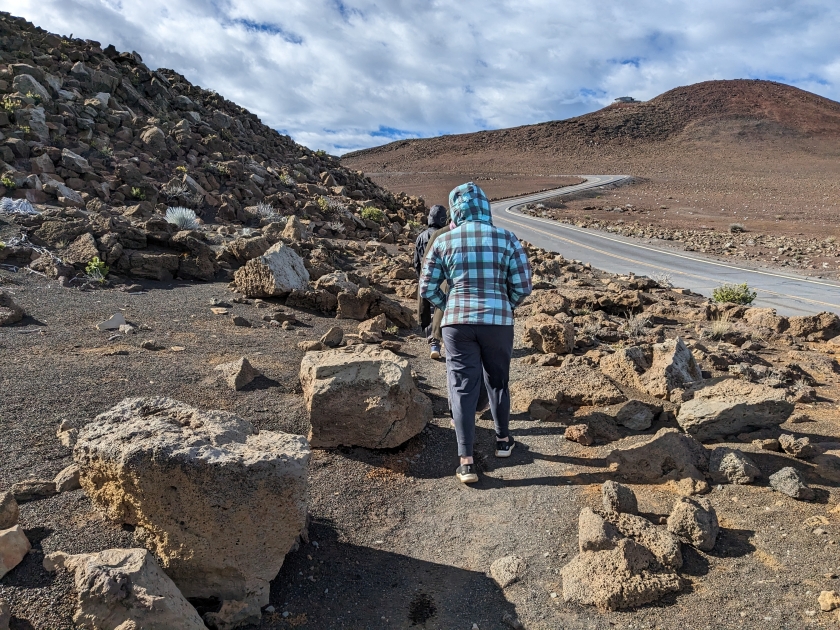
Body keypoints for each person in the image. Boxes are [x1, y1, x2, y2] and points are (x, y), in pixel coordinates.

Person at [419, 182, 532, 483]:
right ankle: (503, 441)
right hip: (498, 322)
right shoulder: (506, 238)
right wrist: (504, 304)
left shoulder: (444, 241)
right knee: (498, 381)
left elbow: (426, 287)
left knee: (462, 386)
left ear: (456, 209)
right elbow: (523, 286)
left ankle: (466, 460)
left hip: (457, 324)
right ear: (485, 206)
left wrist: (450, 304)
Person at [414, 204, 448, 359]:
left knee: (426, 310)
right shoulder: (446, 235)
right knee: (441, 310)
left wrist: (420, 276)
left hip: (425, 276)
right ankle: (441, 341)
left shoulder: (421, 236)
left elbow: (416, 262)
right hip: (442, 278)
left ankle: (432, 343)